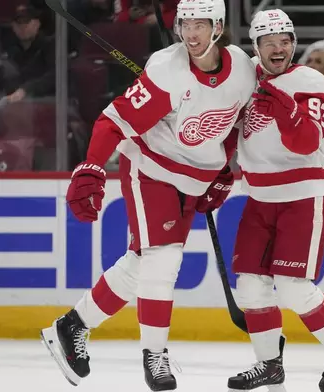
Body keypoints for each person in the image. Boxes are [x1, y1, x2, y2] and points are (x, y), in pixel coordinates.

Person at [40, 0, 256, 390]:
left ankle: (72, 325)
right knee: (163, 257)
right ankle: (154, 355)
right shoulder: (166, 71)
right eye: (185, 23)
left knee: (142, 263)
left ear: (219, 26)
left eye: (200, 25)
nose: (190, 33)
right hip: (151, 168)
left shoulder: (242, 68)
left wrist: (224, 169)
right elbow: (112, 121)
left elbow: (235, 122)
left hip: (194, 179)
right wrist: (91, 167)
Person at [227, 9, 324, 392]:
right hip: (258, 195)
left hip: (304, 192)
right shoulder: (243, 77)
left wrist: (286, 112)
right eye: (269, 42)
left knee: (292, 287)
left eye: (285, 41)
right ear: (255, 46)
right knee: (251, 287)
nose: (278, 48)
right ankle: (269, 364)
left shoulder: (310, 81)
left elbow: (306, 145)